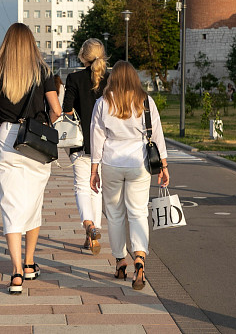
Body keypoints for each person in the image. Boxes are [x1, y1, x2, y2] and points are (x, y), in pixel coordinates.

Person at [0, 23, 62, 295]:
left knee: (11, 204)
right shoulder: (43, 71)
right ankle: (29, 263)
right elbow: (57, 110)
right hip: (36, 141)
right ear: (31, 44)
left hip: (8, 138)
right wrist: (40, 127)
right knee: (33, 202)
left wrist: (2, 128)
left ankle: (15, 271)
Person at [90, 60, 169, 290]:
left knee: (114, 214)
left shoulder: (103, 103)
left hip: (111, 162)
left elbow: (97, 139)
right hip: (139, 163)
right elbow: (158, 135)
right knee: (138, 213)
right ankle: (140, 259)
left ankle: (119, 262)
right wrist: (164, 166)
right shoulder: (145, 101)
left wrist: (94, 170)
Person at [61, 38, 109, 254]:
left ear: (83, 56)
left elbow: (67, 109)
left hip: (80, 143)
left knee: (82, 186)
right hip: (106, 144)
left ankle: (89, 226)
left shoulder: (74, 78)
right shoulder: (110, 79)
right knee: (96, 189)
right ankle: (93, 235)